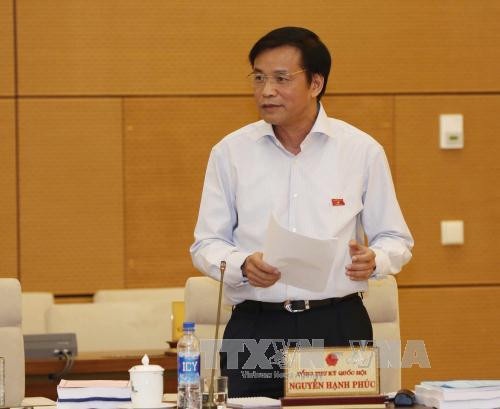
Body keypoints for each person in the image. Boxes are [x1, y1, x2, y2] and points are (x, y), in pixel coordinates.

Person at [190, 26, 413, 399]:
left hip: (337, 323)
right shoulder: (230, 153)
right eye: (258, 78)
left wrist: (376, 259)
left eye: (281, 79)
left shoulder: (361, 151)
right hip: (256, 326)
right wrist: (242, 264)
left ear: (315, 83)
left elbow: (396, 238)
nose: (266, 91)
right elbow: (206, 244)